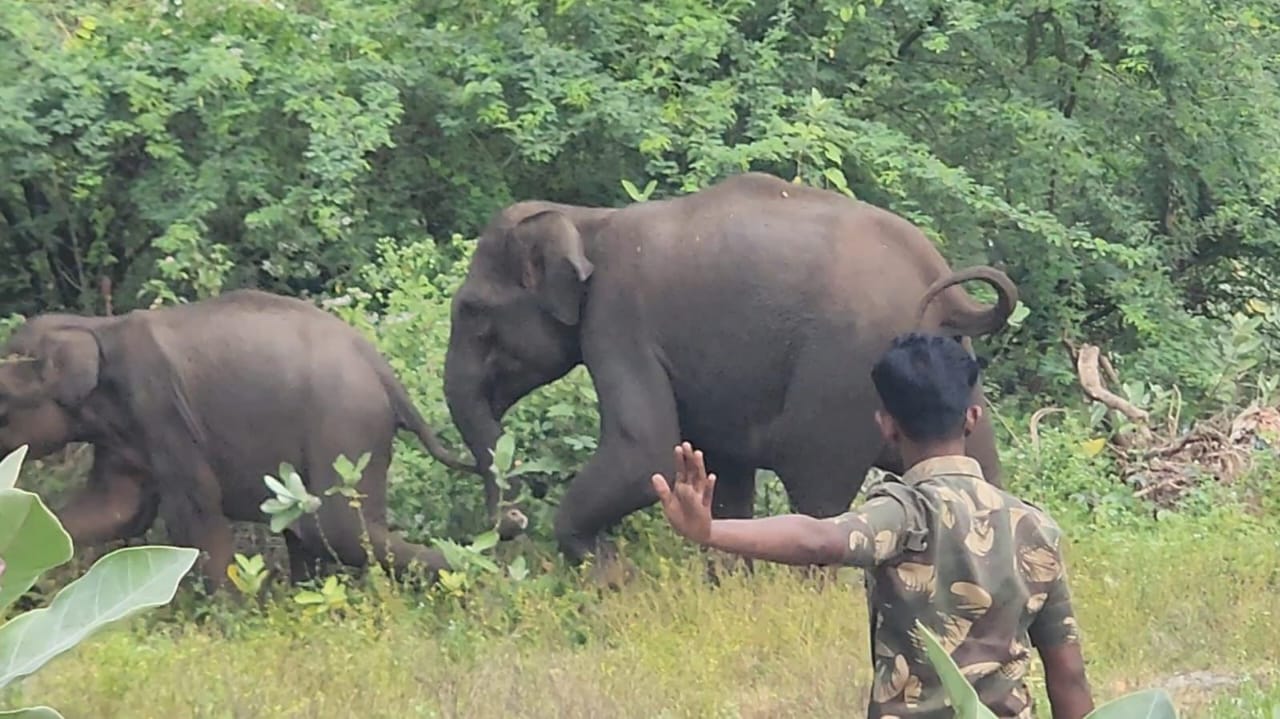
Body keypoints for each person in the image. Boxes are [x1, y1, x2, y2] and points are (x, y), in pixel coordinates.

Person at [650, 332, 1095, 719]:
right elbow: (1069, 675)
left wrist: (711, 532)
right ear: (972, 417)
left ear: (886, 425)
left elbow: (819, 540)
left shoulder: (905, 512)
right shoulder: (1035, 527)